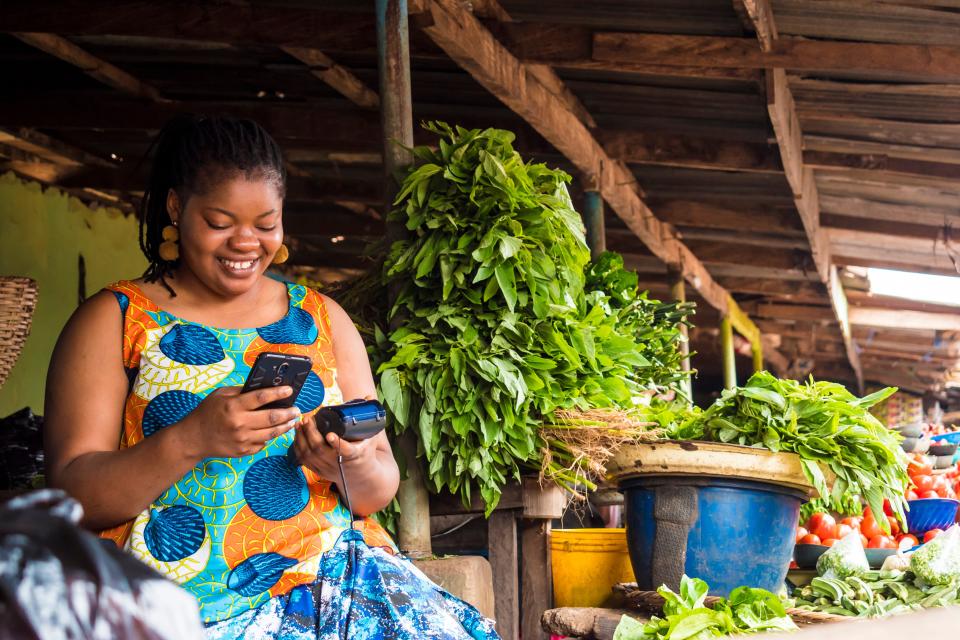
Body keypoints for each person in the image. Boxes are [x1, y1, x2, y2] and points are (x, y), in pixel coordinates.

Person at [44, 115, 499, 639]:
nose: (246, 242)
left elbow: (378, 486)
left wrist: (342, 463)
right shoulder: (116, 320)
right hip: (168, 600)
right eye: (220, 222)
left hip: (332, 582)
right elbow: (71, 497)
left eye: (265, 224)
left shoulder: (323, 317)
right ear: (176, 208)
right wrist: (191, 439)